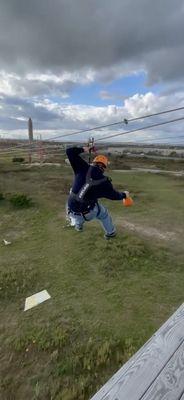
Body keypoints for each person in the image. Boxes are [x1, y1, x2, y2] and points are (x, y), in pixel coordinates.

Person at [66, 146, 130, 239]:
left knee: (74, 196)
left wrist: (84, 149)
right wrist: (124, 195)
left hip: (71, 209)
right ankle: (110, 233)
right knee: (104, 214)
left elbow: (69, 151)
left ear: (94, 163)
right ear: (104, 168)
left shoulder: (82, 167)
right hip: (88, 213)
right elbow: (114, 196)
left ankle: (78, 227)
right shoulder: (105, 182)